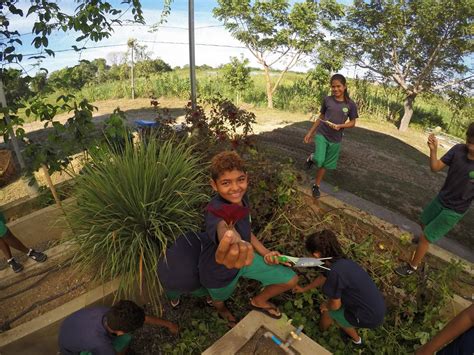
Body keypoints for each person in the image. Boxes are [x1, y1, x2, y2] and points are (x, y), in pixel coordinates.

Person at [198, 151, 298, 327]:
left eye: (240, 179)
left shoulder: (242, 199)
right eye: (226, 183)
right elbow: (223, 227)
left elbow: (246, 232)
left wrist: (265, 252)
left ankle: (259, 301)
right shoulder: (214, 210)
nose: (236, 188)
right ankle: (221, 310)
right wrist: (231, 240)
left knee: (290, 279)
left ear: (247, 178)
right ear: (213, 185)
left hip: (247, 257)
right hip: (220, 270)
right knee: (219, 298)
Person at [395, 122, 474, 276]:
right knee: (423, 222)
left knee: (425, 237)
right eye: (470, 142)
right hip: (442, 198)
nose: (471, 147)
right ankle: (425, 240)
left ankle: (412, 267)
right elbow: (435, 167)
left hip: (455, 210)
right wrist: (433, 151)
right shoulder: (458, 150)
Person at [293, 230, 385, 346]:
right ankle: (356, 339)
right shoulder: (341, 262)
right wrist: (304, 289)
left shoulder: (335, 272)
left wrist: (326, 306)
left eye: (309, 254)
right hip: (375, 306)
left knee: (330, 314)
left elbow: (335, 305)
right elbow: (324, 277)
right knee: (332, 309)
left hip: (369, 316)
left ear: (316, 255)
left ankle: (322, 333)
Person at [303, 73, 358, 198]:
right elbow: (321, 117)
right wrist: (310, 132)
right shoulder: (327, 100)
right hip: (322, 134)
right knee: (319, 160)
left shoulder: (350, 104)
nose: (335, 89)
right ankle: (312, 157)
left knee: (325, 165)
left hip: (336, 139)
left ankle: (316, 186)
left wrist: (340, 126)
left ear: (344, 87)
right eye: (333, 87)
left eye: (338, 86)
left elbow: (353, 122)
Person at [58, 300, 178, 355]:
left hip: (71, 330)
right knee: (125, 340)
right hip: (73, 351)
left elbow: (143, 318)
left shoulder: (108, 313)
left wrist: (169, 324)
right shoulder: (101, 344)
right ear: (119, 332)